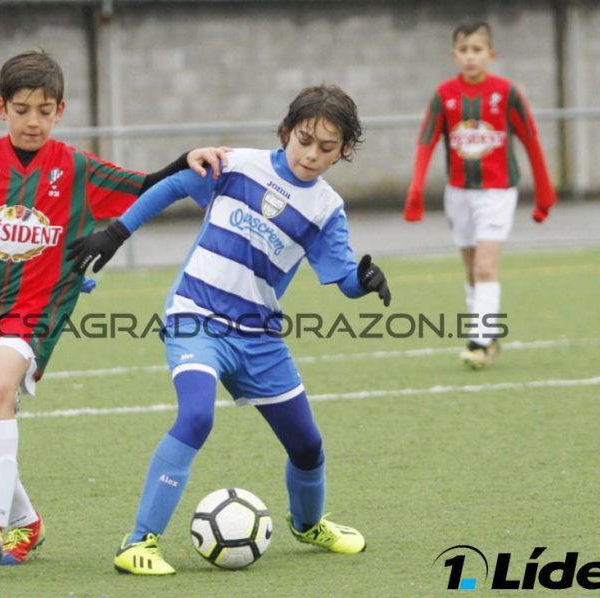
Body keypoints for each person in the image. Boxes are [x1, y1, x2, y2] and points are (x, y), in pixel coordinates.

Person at [0, 50, 227, 567]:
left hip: (36, 310)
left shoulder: (75, 167)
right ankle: (26, 522)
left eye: (44, 111)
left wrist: (187, 160)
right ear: (1, 108)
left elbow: (144, 186)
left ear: (60, 111)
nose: (33, 121)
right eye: (22, 110)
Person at [66, 84, 391, 575]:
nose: (311, 154)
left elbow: (343, 278)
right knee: (197, 416)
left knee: (307, 446)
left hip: (259, 336)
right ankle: (139, 542)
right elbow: (176, 185)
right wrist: (116, 233)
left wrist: (363, 281)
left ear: (343, 150)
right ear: (286, 131)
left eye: (326, 148)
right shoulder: (237, 165)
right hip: (195, 314)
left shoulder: (327, 210)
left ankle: (308, 524)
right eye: (304, 140)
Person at [404, 20, 556, 369]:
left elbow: (530, 139)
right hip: (459, 194)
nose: (470, 56)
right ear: (454, 55)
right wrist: (416, 189)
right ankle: (488, 334)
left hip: (497, 193)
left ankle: (479, 341)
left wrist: (544, 194)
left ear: (491, 54)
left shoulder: (507, 93)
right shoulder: (444, 95)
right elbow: (426, 141)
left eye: (477, 49)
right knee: (473, 270)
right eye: (464, 50)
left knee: (486, 267)